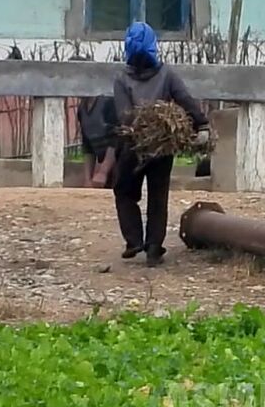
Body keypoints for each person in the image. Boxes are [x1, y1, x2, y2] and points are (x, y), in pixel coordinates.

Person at [113, 21, 211, 267]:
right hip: (164, 147)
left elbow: (124, 116)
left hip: (134, 148)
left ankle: (134, 240)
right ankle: (154, 247)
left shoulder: (122, 79)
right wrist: (203, 125)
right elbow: (186, 101)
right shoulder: (167, 75)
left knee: (124, 192)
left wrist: (136, 131)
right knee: (158, 196)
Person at [77, 94, 118, 188]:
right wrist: (87, 179)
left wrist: (103, 172)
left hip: (119, 162)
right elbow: (88, 147)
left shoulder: (108, 102)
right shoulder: (81, 109)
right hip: (103, 160)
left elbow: (116, 139)